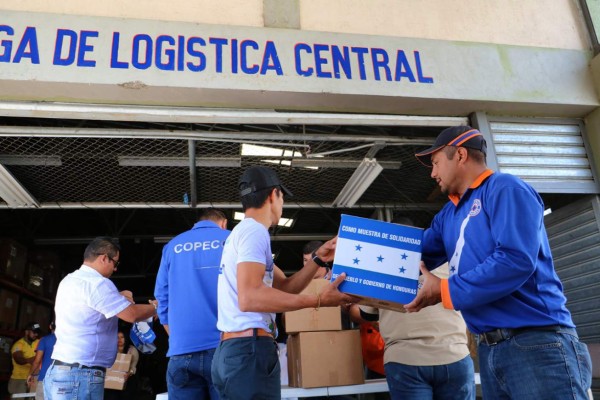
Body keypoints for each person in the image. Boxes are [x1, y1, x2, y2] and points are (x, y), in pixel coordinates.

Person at [406, 125, 592, 399]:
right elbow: (415, 250)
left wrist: (444, 290)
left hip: (536, 343)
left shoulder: (505, 188)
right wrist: (346, 256)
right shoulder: (449, 214)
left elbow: (515, 260)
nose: (433, 173)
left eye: (435, 163)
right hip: (490, 349)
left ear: (459, 155)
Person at [211, 165, 357, 400]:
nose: (282, 204)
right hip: (249, 351)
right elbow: (250, 297)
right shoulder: (254, 232)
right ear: (273, 194)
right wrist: (319, 300)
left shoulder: (242, 233)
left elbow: (286, 287)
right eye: (282, 197)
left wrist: (318, 259)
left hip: (236, 352)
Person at [44, 236, 158, 400]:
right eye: (115, 263)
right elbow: (131, 314)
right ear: (104, 257)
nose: (115, 269)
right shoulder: (98, 283)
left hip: (59, 372)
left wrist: (117, 297)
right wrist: (156, 308)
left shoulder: (69, 280)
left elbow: (89, 308)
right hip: (81, 376)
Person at [350, 263, 474, 400]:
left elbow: (366, 314)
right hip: (454, 352)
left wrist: (346, 307)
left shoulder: (381, 262)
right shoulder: (454, 256)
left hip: (405, 359)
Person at [154, 208, 230, 400]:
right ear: (224, 223)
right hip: (224, 348)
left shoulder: (172, 246)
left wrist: (176, 335)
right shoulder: (231, 240)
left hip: (181, 350)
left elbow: (161, 297)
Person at [104, 329, 140, 400]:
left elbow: (133, 367)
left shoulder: (132, 350)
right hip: (111, 380)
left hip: (127, 379)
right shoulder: (109, 349)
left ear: (126, 338)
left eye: (122, 337)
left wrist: (129, 373)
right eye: (117, 337)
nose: (119, 339)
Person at [9, 322, 41, 395]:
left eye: (37, 333)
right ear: (26, 332)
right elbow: (18, 359)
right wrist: (32, 360)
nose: (36, 335)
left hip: (34, 378)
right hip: (19, 379)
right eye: (34, 332)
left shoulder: (38, 342)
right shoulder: (18, 344)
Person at [27, 322, 57, 400]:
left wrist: (30, 375)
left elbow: (37, 360)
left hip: (45, 378)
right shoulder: (68, 341)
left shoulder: (44, 340)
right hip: (62, 379)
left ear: (50, 327)